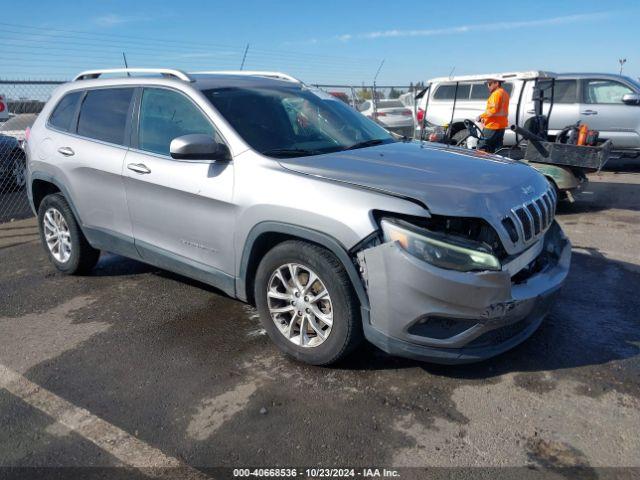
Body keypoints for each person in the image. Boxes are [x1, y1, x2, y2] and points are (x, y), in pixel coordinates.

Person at [476, 78, 510, 153]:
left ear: (496, 83)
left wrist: (481, 116)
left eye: (490, 84)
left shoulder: (496, 94)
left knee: (482, 147)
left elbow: (493, 110)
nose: (488, 86)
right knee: (497, 149)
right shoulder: (505, 93)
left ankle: (480, 163)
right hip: (501, 126)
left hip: (492, 126)